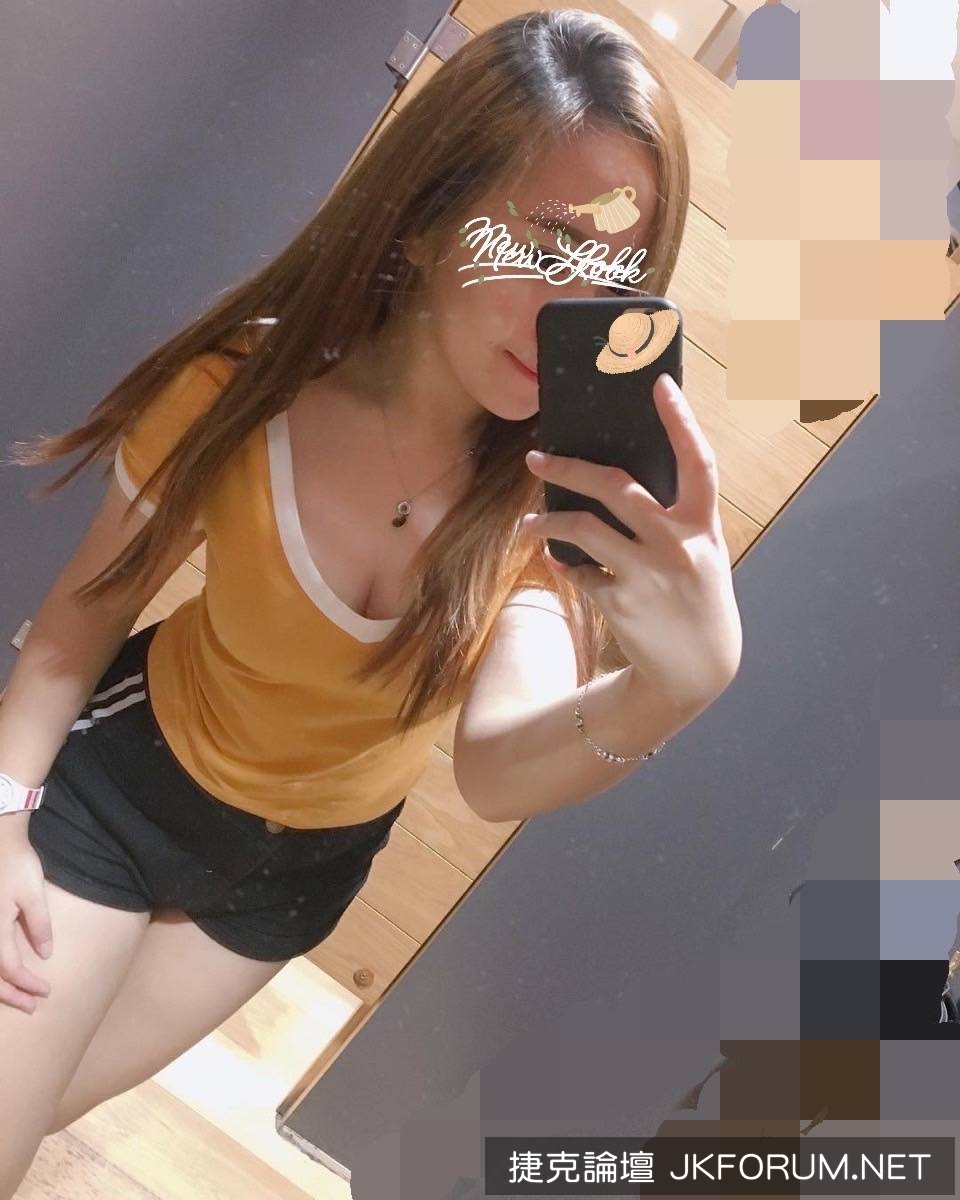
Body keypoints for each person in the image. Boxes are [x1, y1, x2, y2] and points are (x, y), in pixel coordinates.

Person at [0, 8, 741, 1192]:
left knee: (37, 1114)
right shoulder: (245, 392)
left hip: (288, 884)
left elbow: (496, 768)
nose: (569, 308)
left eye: (611, 274)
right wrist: (2, 817)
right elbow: (74, 627)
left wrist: (674, 688)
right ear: (434, 210)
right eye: (547, 245)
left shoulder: (548, 499)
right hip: (128, 790)